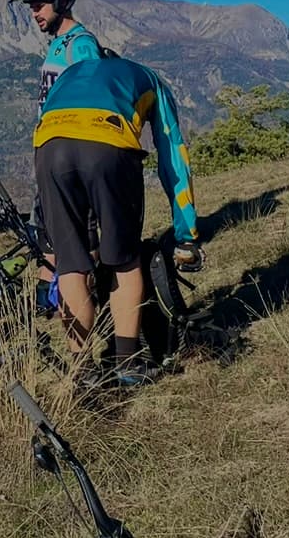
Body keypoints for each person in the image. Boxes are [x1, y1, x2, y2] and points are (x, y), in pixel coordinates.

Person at [34, 53, 203, 385]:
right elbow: (173, 158)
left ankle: (81, 371)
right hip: (108, 144)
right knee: (124, 261)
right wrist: (187, 235)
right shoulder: (148, 77)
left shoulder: (70, 73)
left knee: (72, 266)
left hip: (48, 148)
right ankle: (127, 365)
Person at [8, 0, 104, 107]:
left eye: (39, 6)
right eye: (32, 9)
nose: (34, 14)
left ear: (62, 2)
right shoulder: (58, 42)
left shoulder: (81, 44)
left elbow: (94, 98)